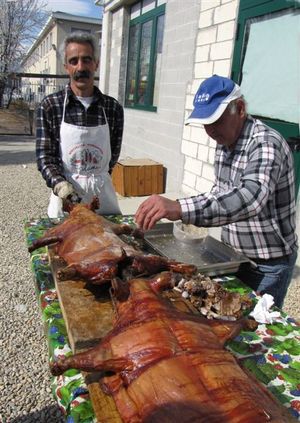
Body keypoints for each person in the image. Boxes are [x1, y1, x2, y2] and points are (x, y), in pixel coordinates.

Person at [135, 74, 298, 308]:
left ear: (239, 108)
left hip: (268, 264)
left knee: (256, 330)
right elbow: (219, 192)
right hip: (235, 255)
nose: (210, 130)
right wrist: (178, 206)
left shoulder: (265, 143)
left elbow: (250, 198)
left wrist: (180, 208)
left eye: (216, 120)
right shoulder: (226, 142)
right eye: (206, 122)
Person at [36, 32, 124, 218]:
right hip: (66, 199)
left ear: (96, 64)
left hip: (103, 197)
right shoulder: (50, 106)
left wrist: (95, 175)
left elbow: (112, 156)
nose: (80, 67)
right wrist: (61, 185)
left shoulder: (112, 108)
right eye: (74, 60)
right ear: (66, 66)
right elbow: (45, 157)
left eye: (87, 60)